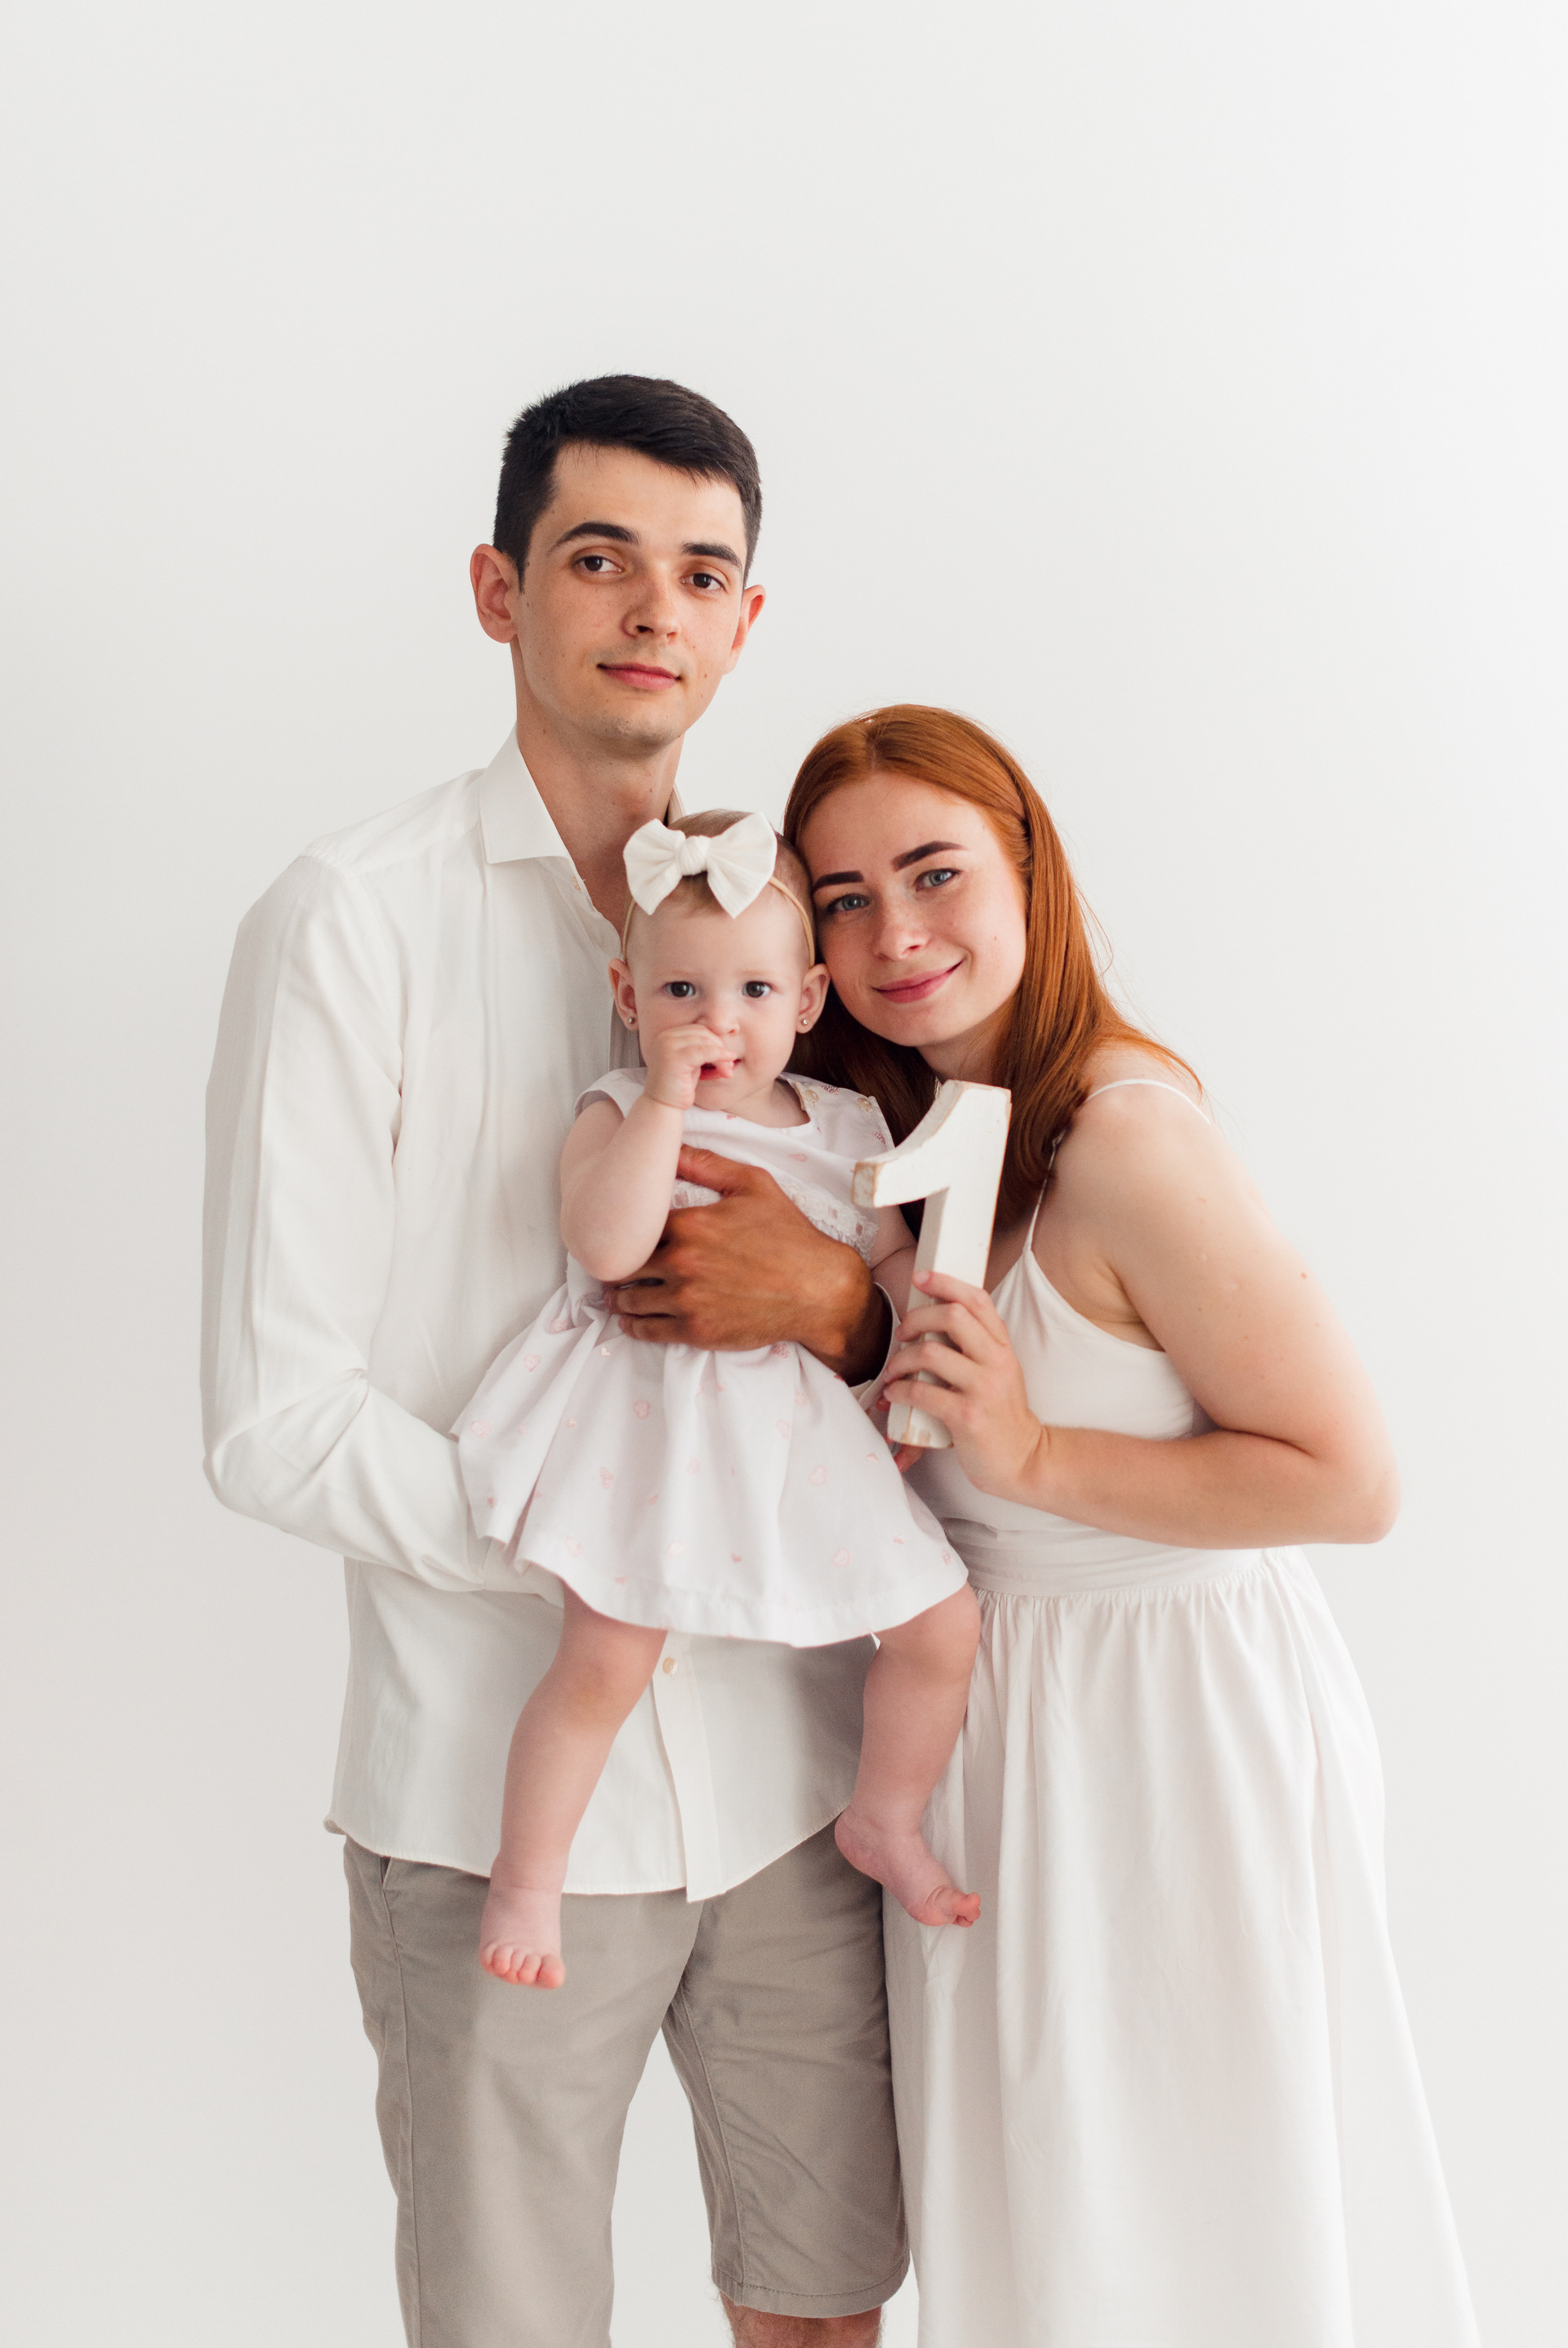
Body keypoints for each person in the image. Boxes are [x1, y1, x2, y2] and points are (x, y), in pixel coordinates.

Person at [202, 378, 907, 2348]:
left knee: (825, 2312)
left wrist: (838, 1314)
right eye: (600, 558)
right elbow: (273, 1416)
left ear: (747, 621)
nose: (654, 608)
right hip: (489, 1796)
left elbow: (895, 1312)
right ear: (500, 590)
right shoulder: (352, 922)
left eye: (703, 572)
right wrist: (616, 1550)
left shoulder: (819, 926)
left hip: (793, 1777)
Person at [782, 704, 1482, 2348]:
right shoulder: (916, 1144)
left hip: (1171, 1721)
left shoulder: (1124, 1138)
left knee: (1202, 2217)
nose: (895, 936)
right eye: (843, 899)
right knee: (1051, 2235)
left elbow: (1350, 1478)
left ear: (1030, 869)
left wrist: (1026, 1453)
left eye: (935, 874)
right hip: (996, 1737)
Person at [458, 807, 981, 1989]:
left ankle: (884, 1816)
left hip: (795, 1432)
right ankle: (527, 1880)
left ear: (807, 1001)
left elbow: (891, 1262)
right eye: (682, 991)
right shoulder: (617, 1108)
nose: (717, 1023)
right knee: (604, 1660)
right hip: (653, 1422)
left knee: (942, 1628)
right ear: (629, 998)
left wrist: (911, 1345)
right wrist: (659, 1104)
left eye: (752, 991)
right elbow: (606, 1243)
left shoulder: (843, 1124)